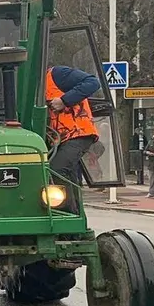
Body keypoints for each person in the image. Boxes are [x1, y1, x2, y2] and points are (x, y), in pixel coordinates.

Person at [45, 65, 101, 213]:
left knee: (56, 169)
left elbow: (92, 82)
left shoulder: (57, 74)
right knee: (68, 174)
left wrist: (64, 100)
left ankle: (69, 214)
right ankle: (76, 213)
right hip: (60, 139)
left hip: (78, 133)